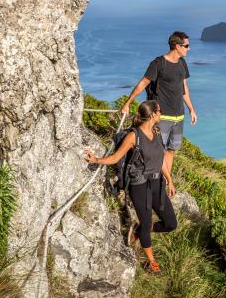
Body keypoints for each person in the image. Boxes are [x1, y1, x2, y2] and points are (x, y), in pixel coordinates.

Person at [84, 100, 177, 273]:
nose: (161, 113)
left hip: (157, 183)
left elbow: (161, 159)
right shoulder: (133, 136)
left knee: (171, 223)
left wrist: (169, 179)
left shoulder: (156, 131)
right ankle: (151, 261)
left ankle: (139, 230)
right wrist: (96, 160)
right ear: (152, 115)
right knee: (147, 222)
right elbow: (116, 157)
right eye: (159, 111)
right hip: (139, 185)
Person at [121, 31, 197, 173]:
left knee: (172, 150)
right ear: (177, 46)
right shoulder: (158, 63)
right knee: (157, 151)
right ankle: (156, 178)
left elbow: (184, 87)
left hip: (178, 117)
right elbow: (143, 83)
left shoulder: (182, 63)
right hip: (161, 117)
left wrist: (191, 109)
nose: (189, 48)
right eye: (186, 46)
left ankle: (166, 180)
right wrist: (127, 103)